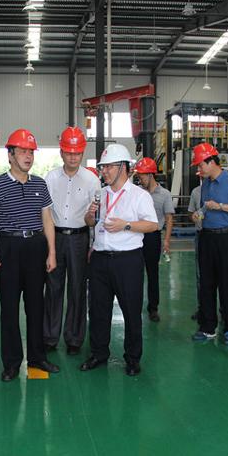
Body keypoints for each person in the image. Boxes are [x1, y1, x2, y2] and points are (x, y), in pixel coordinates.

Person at [0, 128, 59, 382]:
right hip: (9, 248)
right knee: (9, 308)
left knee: (36, 306)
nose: (28, 156)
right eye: (22, 151)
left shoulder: (40, 184)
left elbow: (47, 219)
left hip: (36, 246)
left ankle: (37, 357)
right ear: (10, 155)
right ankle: (12, 363)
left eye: (31, 152)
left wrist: (52, 252)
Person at [80, 144, 158, 376]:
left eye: (109, 167)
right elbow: (89, 223)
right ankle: (98, 353)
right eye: (102, 167)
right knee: (98, 310)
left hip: (128, 261)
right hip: (100, 259)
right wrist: (90, 215)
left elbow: (152, 225)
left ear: (123, 167)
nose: (104, 172)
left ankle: (132, 359)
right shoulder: (101, 194)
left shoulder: (139, 196)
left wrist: (126, 225)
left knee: (131, 311)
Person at [43, 127, 100, 355]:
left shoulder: (91, 180)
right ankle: (49, 337)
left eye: (77, 153)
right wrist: (47, 245)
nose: (73, 157)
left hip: (79, 239)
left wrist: (93, 245)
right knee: (53, 288)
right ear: (61, 152)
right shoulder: (50, 178)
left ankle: (74, 338)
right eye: (68, 152)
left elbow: (95, 217)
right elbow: (44, 213)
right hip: (55, 237)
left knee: (77, 289)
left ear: (82, 153)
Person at [191, 142, 228, 345]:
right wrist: (198, 214)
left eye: (201, 165)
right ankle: (208, 327)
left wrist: (221, 206)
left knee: (227, 285)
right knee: (206, 284)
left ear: (211, 162)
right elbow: (205, 209)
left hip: (226, 238)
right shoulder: (205, 184)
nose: (199, 169)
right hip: (207, 237)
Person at [133, 157, 174, 322]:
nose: (140, 179)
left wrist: (166, 241)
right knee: (135, 273)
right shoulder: (136, 192)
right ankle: (134, 305)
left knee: (152, 273)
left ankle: (153, 308)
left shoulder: (164, 194)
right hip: (136, 235)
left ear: (151, 175)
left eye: (142, 175)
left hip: (153, 238)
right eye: (138, 176)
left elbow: (169, 219)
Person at [187, 173, 202, 321]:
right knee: (201, 275)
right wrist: (194, 217)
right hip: (201, 235)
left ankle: (224, 311)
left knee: (222, 276)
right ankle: (202, 308)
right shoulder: (196, 192)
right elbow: (190, 213)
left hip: (220, 236)